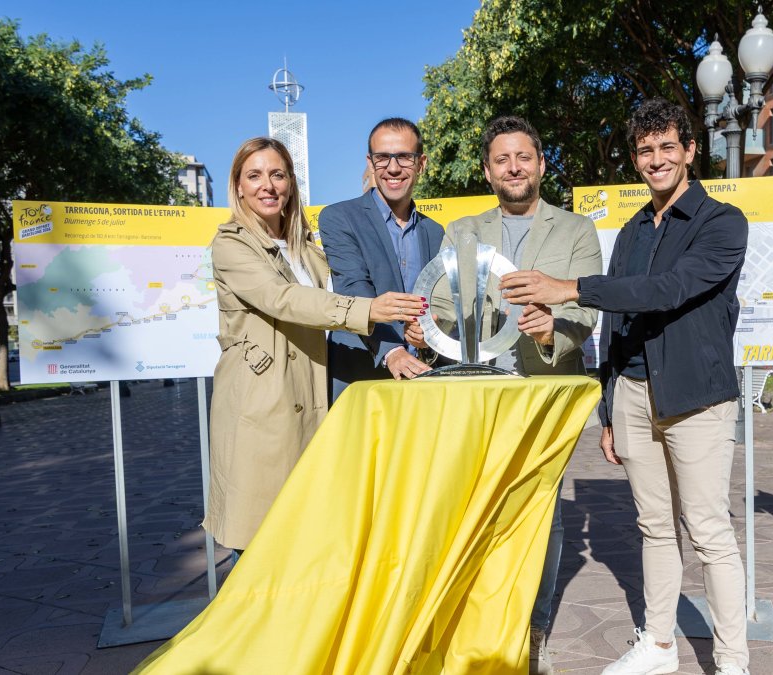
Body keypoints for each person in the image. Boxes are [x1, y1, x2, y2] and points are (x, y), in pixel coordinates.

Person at [499, 98, 751, 675]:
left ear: (690, 150)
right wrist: (610, 405)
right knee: (654, 527)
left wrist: (568, 288)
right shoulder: (634, 229)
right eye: (645, 150)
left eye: (668, 147)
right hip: (635, 395)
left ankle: (733, 662)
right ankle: (659, 647)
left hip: (696, 398)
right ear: (636, 160)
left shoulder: (722, 223)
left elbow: (667, 289)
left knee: (709, 531)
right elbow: (618, 321)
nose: (656, 159)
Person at [405, 115, 601, 675]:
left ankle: (533, 627)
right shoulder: (462, 231)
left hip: (544, 393)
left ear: (541, 163)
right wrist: (425, 328)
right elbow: (440, 302)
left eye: (523, 157)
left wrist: (548, 329)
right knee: (475, 509)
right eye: (501, 160)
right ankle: (477, 622)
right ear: (488, 171)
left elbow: (585, 312)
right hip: (476, 398)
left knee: (543, 514)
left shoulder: (576, 231)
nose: (513, 168)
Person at [203, 137, 426, 553]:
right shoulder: (232, 244)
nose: (267, 185)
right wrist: (369, 310)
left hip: (313, 401)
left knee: (304, 542)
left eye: (277, 174)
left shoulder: (305, 248)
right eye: (254, 176)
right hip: (262, 409)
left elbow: (344, 280)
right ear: (238, 186)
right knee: (258, 546)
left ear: (290, 184)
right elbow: (283, 300)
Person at [317, 118, 444, 399]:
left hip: (422, 383)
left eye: (404, 157)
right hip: (361, 380)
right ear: (371, 162)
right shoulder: (339, 218)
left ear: (421, 163)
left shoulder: (435, 232)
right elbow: (353, 287)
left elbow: (436, 305)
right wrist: (393, 351)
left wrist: (428, 339)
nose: (393, 167)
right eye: (383, 157)